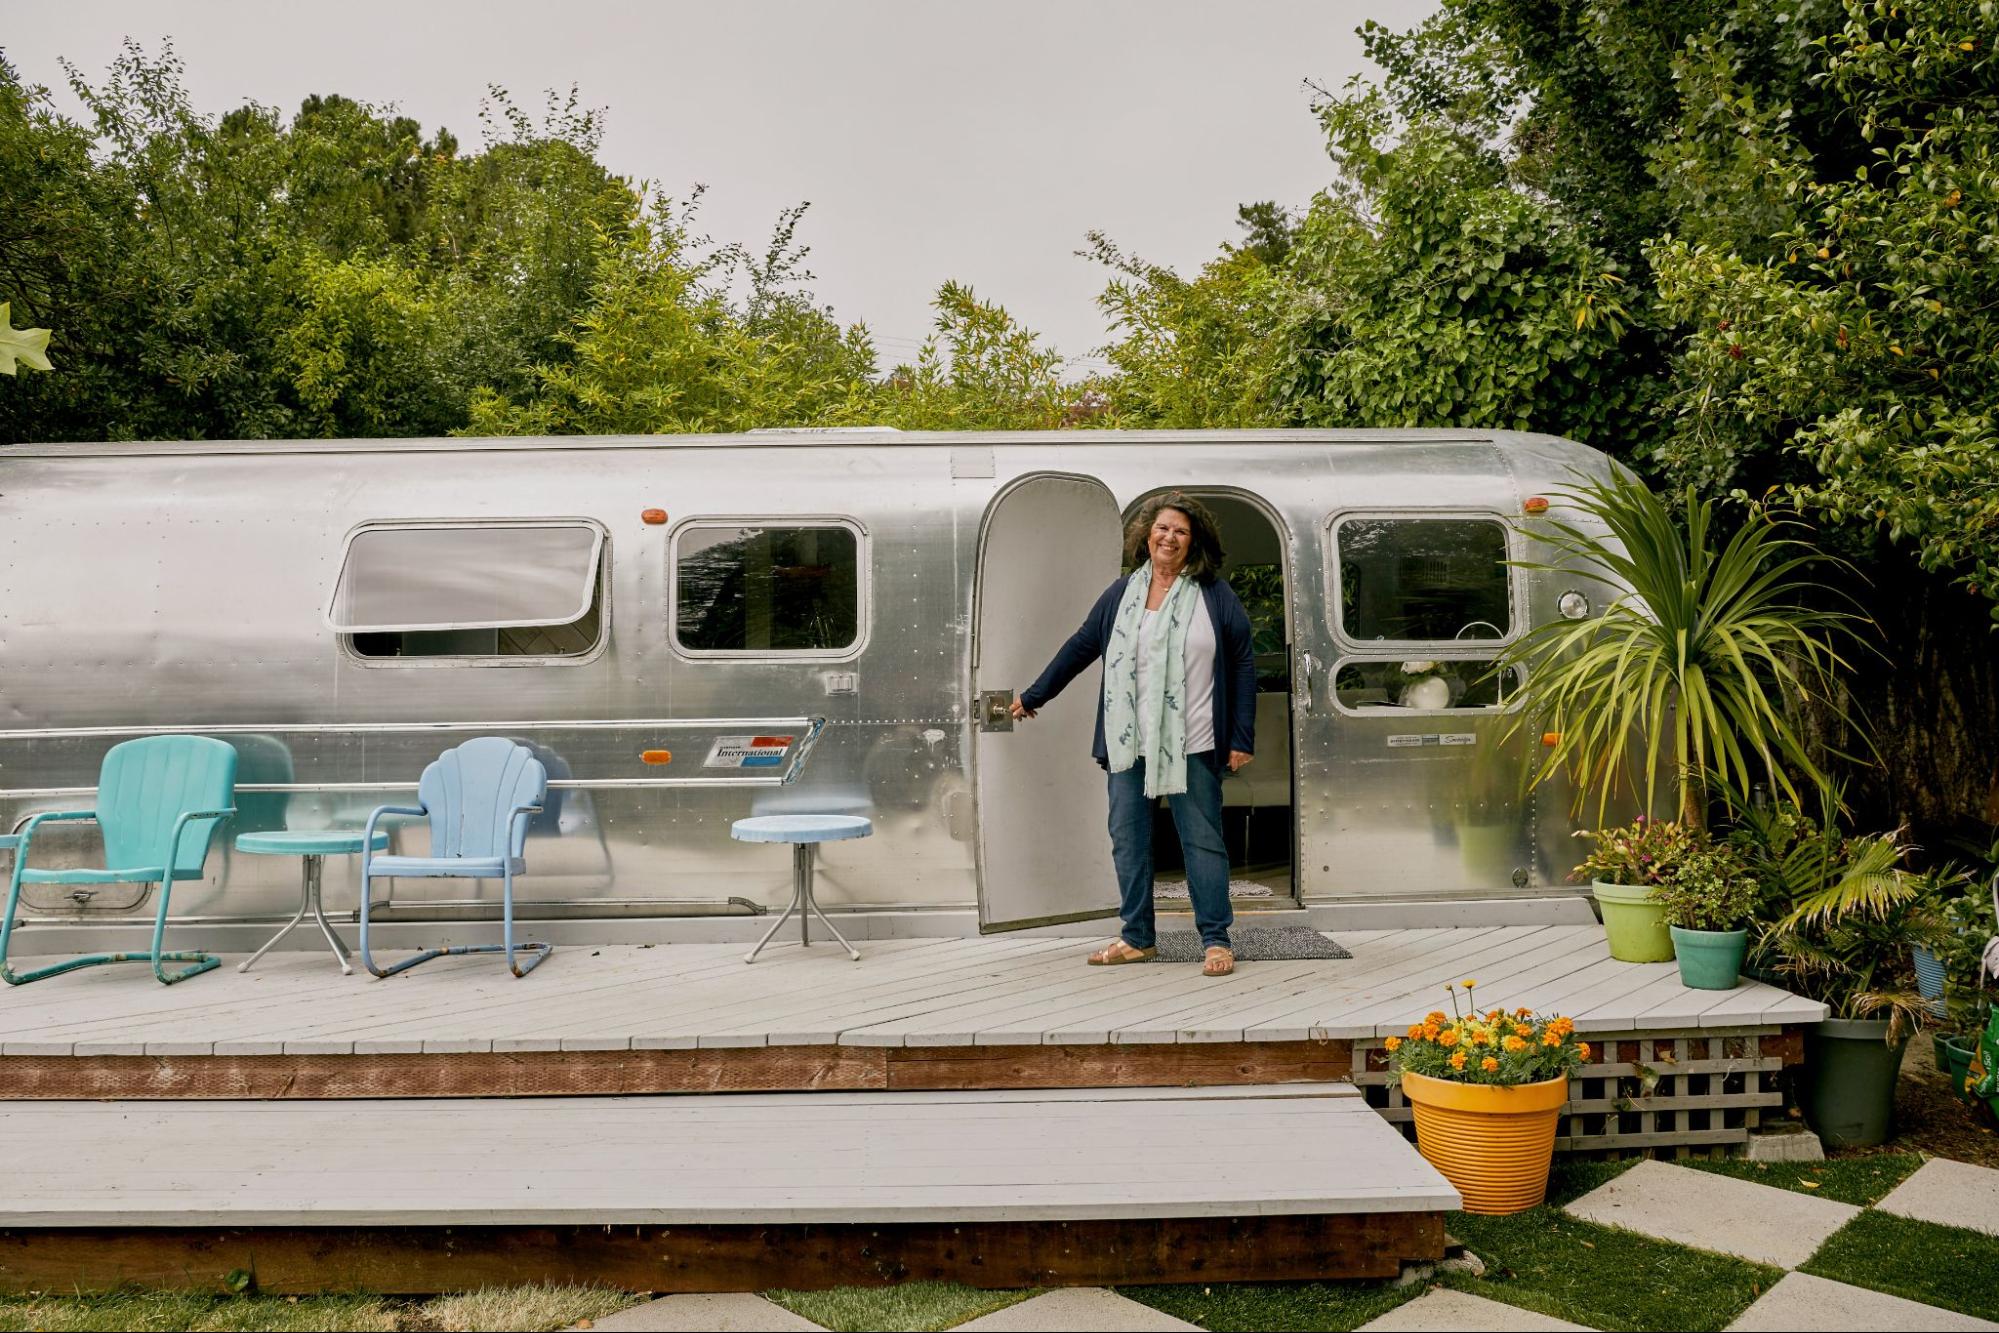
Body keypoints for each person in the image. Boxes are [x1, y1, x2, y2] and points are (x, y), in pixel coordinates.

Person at [1011, 493, 1256, 977]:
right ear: (1147, 535)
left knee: (1202, 841)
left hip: (1195, 741)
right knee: (1128, 840)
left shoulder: (1214, 595)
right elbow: (1082, 646)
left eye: (1181, 532)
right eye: (1163, 528)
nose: (1170, 537)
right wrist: (1035, 695)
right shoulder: (1121, 593)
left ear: (1194, 542)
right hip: (1129, 743)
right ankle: (1138, 938)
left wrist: (1241, 737)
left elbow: (1243, 663)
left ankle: (1215, 940)